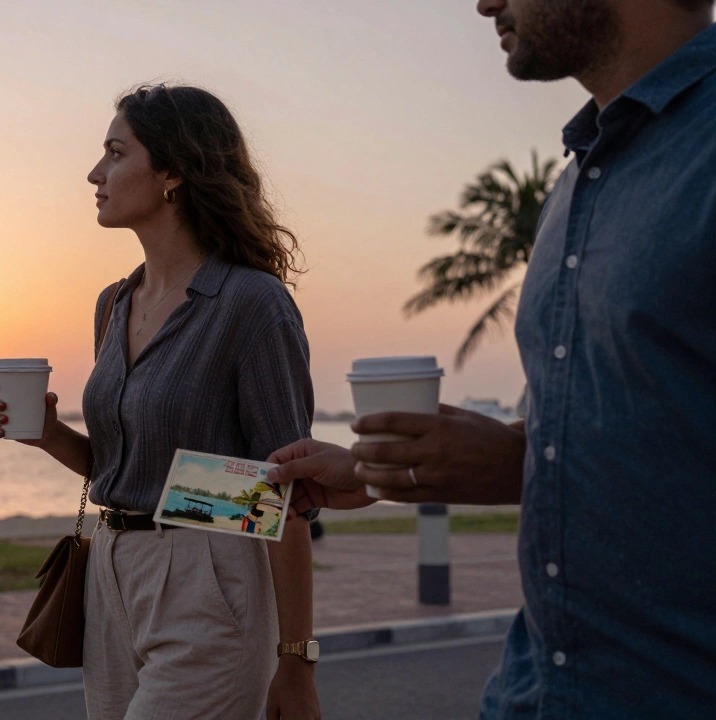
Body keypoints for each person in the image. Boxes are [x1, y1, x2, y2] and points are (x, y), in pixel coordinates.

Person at [267, 1, 716, 717]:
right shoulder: (577, 183)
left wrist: (524, 462)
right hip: (534, 694)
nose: (482, 3)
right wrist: (390, 466)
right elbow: (622, 435)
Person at [0, 84, 319, 719]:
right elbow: (132, 470)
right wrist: (49, 434)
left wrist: (296, 661)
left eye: (115, 152)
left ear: (173, 171)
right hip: (109, 568)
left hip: (207, 574)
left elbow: (281, 495)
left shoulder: (251, 304)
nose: (95, 173)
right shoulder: (115, 302)